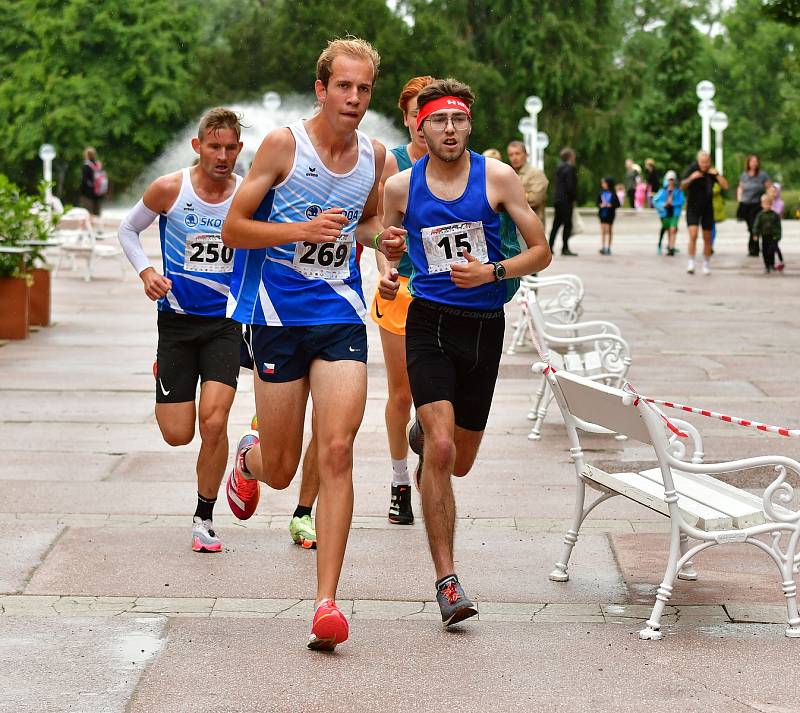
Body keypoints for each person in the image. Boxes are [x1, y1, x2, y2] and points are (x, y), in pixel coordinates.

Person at [222, 37, 406, 652]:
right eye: (344, 87)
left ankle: (326, 603)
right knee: (280, 469)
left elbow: (373, 219)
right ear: (322, 89)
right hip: (277, 316)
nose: (355, 99)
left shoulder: (373, 156)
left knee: (336, 451)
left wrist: (385, 247)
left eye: (364, 89)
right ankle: (248, 459)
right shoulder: (283, 147)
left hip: (340, 314)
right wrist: (299, 228)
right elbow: (233, 228)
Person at [381, 77, 551, 628]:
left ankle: (425, 435)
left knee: (461, 459)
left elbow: (541, 251)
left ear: (468, 125)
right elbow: (392, 249)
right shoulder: (402, 188)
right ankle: (447, 580)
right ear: (420, 126)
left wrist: (492, 271)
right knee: (446, 448)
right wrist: (388, 274)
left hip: (483, 327)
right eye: (438, 121)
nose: (449, 130)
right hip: (428, 321)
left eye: (458, 120)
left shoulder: (497, 178)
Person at [117, 108, 245, 554]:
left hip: (225, 324)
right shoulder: (171, 188)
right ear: (198, 147)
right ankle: (166, 373)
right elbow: (127, 229)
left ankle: (204, 517)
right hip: (175, 325)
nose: (223, 155)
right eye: (214, 146)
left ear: (240, 149)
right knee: (178, 433)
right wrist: (146, 271)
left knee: (215, 419)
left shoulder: (247, 196)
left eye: (230, 147)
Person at [371, 74, 434, 526]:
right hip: (403, 288)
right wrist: (386, 271)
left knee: (438, 393)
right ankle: (399, 482)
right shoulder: (394, 164)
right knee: (403, 391)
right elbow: (379, 229)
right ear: (407, 117)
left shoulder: (459, 165)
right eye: (415, 114)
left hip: (447, 290)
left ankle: (429, 461)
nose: (422, 122)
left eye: (429, 114)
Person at [681, 150, 728, 275]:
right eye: (703, 162)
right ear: (698, 161)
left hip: (707, 208)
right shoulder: (692, 169)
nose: (705, 164)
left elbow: (725, 186)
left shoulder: (712, 172)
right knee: (693, 235)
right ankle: (691, 262)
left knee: (707, 238)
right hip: (693, 207)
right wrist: (691, 178)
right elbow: (681, 186)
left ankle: (706, 264)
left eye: (707, 162)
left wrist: (717, 175)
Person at [506, 140, 548, 228]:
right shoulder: (508, 173)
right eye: (511, 155)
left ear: (526, 155)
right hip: (513, 228)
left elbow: (535, 199)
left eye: (517, 153)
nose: (514, 157)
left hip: (532, 227)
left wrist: (507, 198)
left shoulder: (536, 173)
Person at [737, 154, 772, 257]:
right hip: (746, 204)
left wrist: (768, 200)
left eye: (756, 161)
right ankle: (754, 246)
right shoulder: (744, 175)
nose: (754, 163)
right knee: (750, 227)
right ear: (748, 163)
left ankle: (754, 248)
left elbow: (770, 187)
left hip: (757, 204)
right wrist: (739, 199)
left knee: (754, 226)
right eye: (752, 161)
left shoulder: (762, 175)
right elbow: (740, 187)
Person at [548, 147, 578, 256]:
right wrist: (574, 198)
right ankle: (565, 248)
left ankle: (550, 247)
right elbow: (570, 186)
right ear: (570, 157)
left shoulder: (559, 168)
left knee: (556, 224)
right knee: (567, 224)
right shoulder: (570, 169)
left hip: (558, 199)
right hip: (566, 200)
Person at [652, 170, 684, 256]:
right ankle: (661, 244)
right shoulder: (662, 191)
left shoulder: (678, 191)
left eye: (672, 179)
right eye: (669, 179)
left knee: (673, 229)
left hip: (674, 213)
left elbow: (681, 201)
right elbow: (655, 201)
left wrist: (672, 203)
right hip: (664, 214)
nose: (671, 181)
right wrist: (663, 205)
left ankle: (671, 247)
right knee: (666, 229)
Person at [753, 193, 782, 274]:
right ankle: (767, 266)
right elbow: (756, 225)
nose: (766, 205)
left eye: (768, 203)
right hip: (764, 236)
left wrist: (778, 236)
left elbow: (778, 226)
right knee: (765, 251)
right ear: (762, 204)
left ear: (771, 204)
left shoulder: (775, 215)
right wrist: (755, 234)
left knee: (771, 251)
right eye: (764, 203)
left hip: (773, 237)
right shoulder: (760, 215)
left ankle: (772, 264)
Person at [80, 147, 108, 228]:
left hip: (88, 194)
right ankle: (99, 230)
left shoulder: (86, 166)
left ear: (86, 155)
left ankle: (89, 232)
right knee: (98, 214)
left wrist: (81, 193)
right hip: (99, 193)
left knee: (88, 213)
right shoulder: (98, 165)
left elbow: (84, 181)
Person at [596, 176, 620, 255]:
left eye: (604, 183)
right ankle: (603, 247)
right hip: (602, 213)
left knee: (609, 230)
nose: (603, 184)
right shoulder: (601, 193)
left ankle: (609, 247)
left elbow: (617, 204)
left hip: (610, 214)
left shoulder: (613, 193)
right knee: (603, 230)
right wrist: (601, 205)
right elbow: (597, 203)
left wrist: (611, 205)